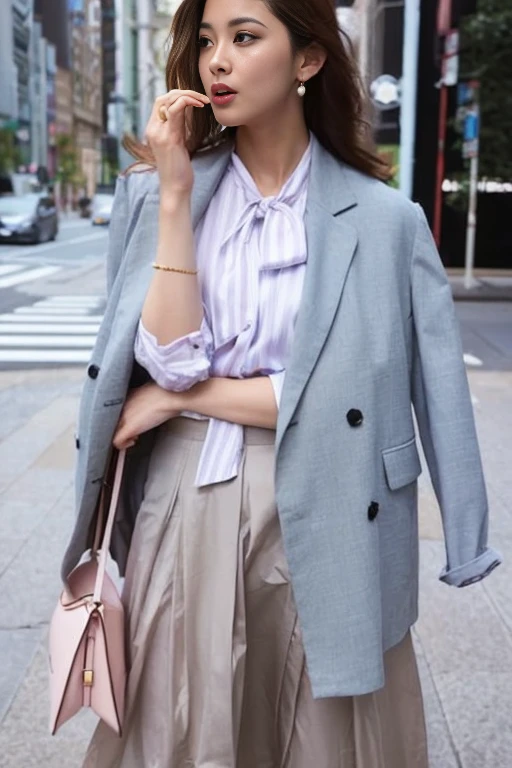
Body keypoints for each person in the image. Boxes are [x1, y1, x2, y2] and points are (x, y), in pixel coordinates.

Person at [62, 0, 502, 765]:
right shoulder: (157, 196)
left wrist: (179, 398)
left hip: (335, 492)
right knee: (188, 714)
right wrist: (173, 196)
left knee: (325, 725)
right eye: (205, 42)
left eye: (244, 37)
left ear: (308, 60)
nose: (216, 62)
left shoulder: (383, 218)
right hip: (186, 499)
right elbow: (166, 357)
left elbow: (375, 390)